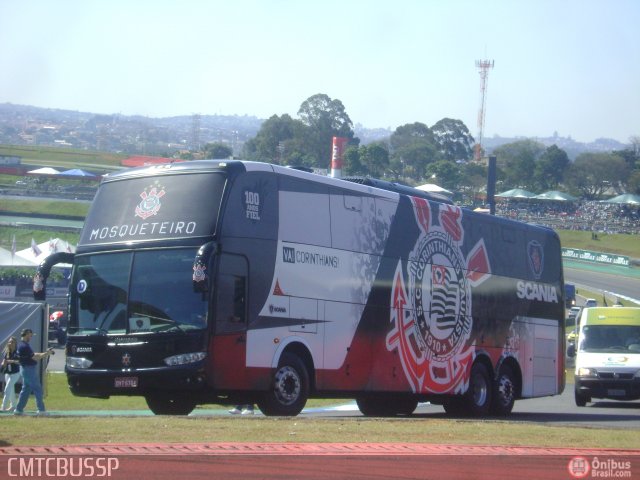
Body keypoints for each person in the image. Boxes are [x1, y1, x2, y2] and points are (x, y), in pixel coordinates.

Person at [14, 329, 54, 416]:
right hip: (29, 369)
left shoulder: (21, 345)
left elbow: (32, 354)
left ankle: (18, 409)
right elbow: (35, 357)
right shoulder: (25, 346)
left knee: (26, 390)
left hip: (24, 369)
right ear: (27, 334)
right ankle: (41, 410)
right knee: (37, 389)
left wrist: (45, 353)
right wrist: (47, 354)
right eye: (31, 335)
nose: (31, 337)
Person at [1, 337, 21, 411]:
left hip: (15, 373)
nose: (10, 343)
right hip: (8, 373)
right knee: (11, 390)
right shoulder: (7, 352)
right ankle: (13, 406)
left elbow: (20, 361)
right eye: (9, 342)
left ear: (15, 343)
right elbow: (4, 361)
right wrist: (3, 364)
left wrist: (11, 361)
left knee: (7, 389)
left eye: (12, 342)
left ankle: (3, 407)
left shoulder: (17, 352)